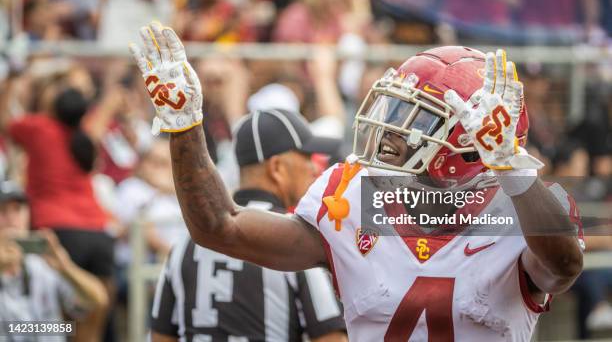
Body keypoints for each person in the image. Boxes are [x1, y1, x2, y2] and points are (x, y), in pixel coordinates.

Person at [129, 22, 583, 341]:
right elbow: (219, 226)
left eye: (416, 119)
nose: (391, 132)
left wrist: (510, 166)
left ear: (470, 144)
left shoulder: (524, 207)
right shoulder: (351, 194)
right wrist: (183, 124)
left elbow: (563, 267)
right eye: (395, 111)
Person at [150, 109, 346, 341]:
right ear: (277, 168)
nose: (315, 168)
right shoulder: (294, 241)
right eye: (306, 157)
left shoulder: (184, 243)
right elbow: (330, 338)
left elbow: (160, 336)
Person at [0, 181, 108, 340]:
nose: (11, 219)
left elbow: (98, 300)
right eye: (2, 211)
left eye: (18, 209)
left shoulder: (44, 263)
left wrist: (65, 267)